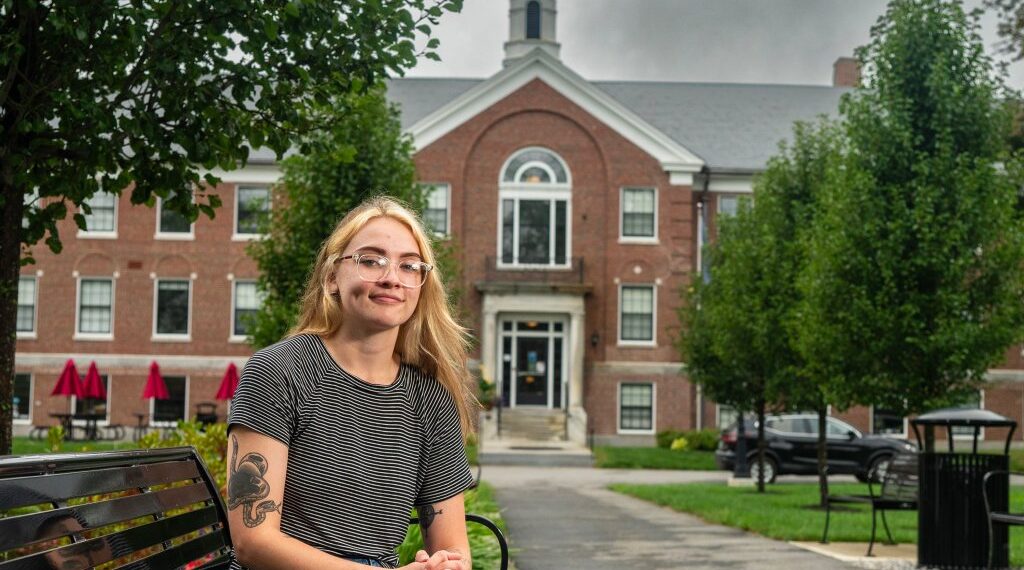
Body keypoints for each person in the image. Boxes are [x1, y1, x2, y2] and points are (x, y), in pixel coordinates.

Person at [227, 196, 477, 570]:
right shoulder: (278, 371)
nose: (391, 276)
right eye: (371, 260)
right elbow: (253, 541)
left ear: (421, 286)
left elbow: (455, 547)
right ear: (331, 277)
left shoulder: (431, 399)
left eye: (409, 266)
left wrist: (444, 565)